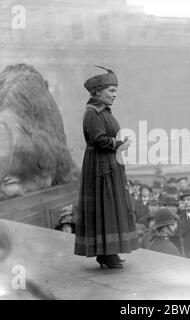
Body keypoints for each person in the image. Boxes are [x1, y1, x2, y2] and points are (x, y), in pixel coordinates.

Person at [74, 66, 138, 269]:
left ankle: (109, 252)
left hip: (108, 163)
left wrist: (120, 143)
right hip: (100, 166)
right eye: (111, 90)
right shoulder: (93, 112)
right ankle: (105, 253)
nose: (115, 94)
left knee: (110, 206)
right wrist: (119, 144)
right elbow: (99, 139)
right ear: (98, 92)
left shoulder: (103, 112)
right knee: (106, 207)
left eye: (115, 90)